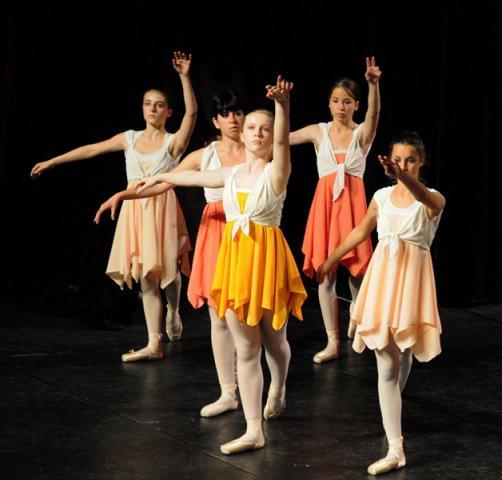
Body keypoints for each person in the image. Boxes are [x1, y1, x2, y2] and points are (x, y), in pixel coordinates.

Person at [136, 76, 307, 454]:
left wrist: (282, 106)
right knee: (246, 349)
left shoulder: (276, 172)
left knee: (274, 341)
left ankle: (278, 386)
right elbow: (192, 176)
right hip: (234, 264)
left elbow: (282, 144)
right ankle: (253, 429)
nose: (258, 134)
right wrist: (160, 175)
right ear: (242, 135)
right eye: (252, 128)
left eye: (264, 129)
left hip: (267, 261)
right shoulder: (230, 174)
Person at [31, 52, 197, 362]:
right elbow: (92, 149)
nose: (152, 108)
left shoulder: (173, 142)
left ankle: (173, 310)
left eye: (159, 104)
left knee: (169, 271)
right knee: (146, 275)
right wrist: (53, 161)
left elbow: (193, 113)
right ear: (142, 108)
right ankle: (154, 343)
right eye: (148, 103)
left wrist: (184, 77)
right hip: (133, 211)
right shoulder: (129, 139)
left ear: (168, 111)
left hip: (161, 208)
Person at [95, 91, 246, 416]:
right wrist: (122, 195)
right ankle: (229, 391)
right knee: (219, 315)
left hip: (250, 234)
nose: (233, 119)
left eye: (237, 113)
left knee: (253, 317)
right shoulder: (205, 155)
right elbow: (164, 183)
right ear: (216, 121)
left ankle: (271, 386)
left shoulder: (257, 150)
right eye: (226, 114)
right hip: (216, 233)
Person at [317, 131, 445, 475]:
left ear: (421, 162)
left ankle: (393, 413)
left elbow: (422, 196)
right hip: (383, 281)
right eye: (398, 160)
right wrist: (330, 260)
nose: (403, 165)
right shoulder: (382, 196)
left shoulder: (433, 198)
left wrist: (402, 175)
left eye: (410, 160)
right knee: (386, 364)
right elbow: (360, 231)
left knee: (404, 351)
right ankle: (395, 449)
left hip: (412, 285)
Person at [289, 57, 381, 363]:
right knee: (325, 273)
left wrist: (373, 85)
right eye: (335, 101)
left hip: (353, 209)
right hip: (325, 211)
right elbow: (281, 141)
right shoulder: (319, 131)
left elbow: (374, 114)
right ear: (329, 104)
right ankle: (332, 342)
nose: (341, 106)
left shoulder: (362, 133)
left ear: (356, 105)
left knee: (358, 271)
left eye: (347, 101)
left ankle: (357, 314)